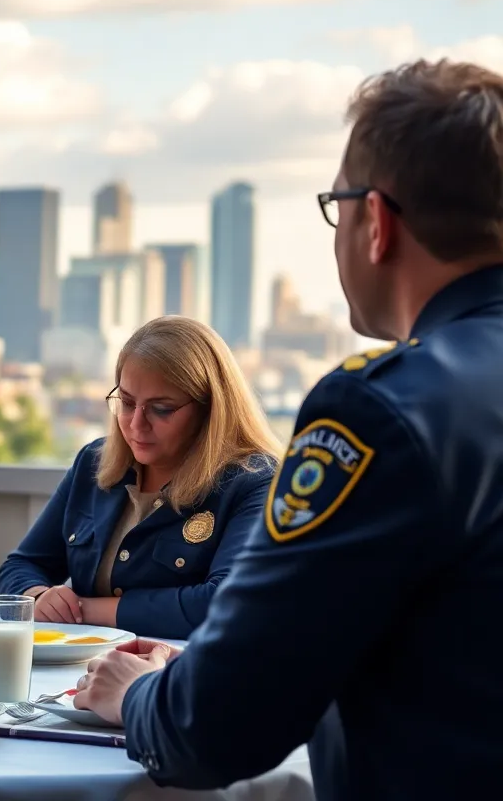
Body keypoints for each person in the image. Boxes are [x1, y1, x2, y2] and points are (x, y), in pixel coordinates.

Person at [73, 59, 503, 800]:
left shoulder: (385, 414)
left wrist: (138, 694)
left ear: (376, 223)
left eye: (337, 207)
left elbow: (217, 726)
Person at [0, 316, 279, 640]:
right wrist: (39, 597)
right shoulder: (94, 462)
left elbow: (223, 604)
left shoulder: (253, 482)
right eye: (127, 403)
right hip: (78, 672)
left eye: (161, 409)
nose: (135, 425)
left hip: (176, 679)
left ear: (210, 409)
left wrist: (82, 610)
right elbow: (19, 567)